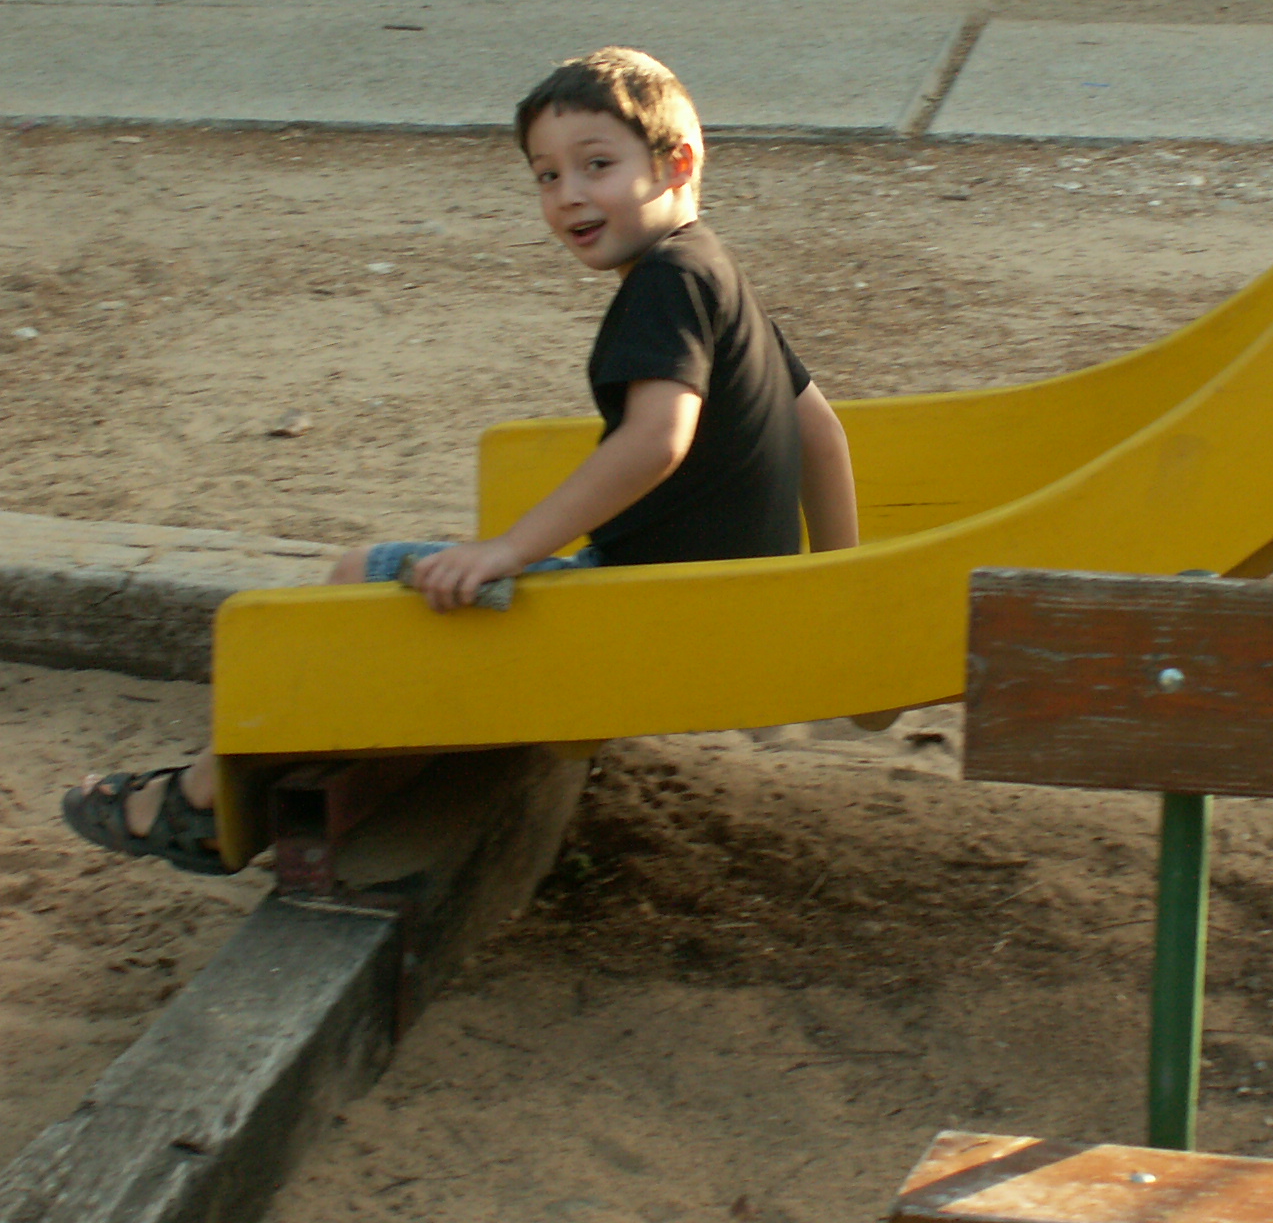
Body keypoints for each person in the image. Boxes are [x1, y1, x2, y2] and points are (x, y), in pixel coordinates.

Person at [61, 47, 858, 874]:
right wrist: (837, 602)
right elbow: (822, 433)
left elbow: (658, 438)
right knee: (413, 601)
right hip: (721, 611)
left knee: (354, 580)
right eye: (546, 175)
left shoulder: (666, 283)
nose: (568, 194)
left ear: (676, 163)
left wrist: (509, 550)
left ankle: (196, 807)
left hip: (650, 620)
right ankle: (257, 781)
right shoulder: (717, 271)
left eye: (597, 164)